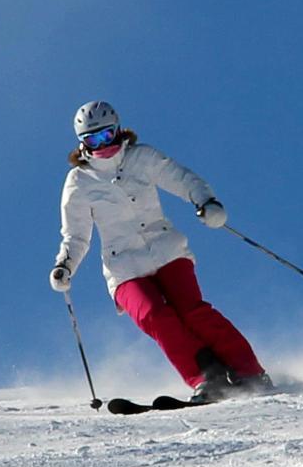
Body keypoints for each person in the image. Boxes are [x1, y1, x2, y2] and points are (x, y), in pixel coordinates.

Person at [50, 101, 271, 402]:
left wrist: (206, 202)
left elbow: (182, 179)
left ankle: (249, 372)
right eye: (93, 140)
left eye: (106, 135)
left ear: (118, 130)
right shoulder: (79, 181)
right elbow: (76, 234)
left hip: (165, 249)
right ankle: (208, 376)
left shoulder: (142, 157)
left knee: (192, 312)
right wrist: (65, 265)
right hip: (123, 267)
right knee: (155, 315)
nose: (102, 145)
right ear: (82, 143)